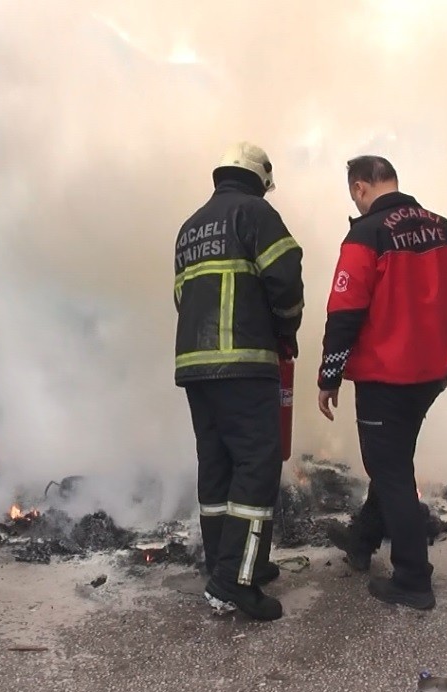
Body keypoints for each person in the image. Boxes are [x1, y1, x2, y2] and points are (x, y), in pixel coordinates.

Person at [317, 155, 447, 610]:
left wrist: (330, 374)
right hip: (431, 375)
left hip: (387, 377)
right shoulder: (444, 228)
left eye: (354, 195)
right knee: (393, 461)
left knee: (391, 470)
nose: (356, 203)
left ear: (362, 187)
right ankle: (362, 540)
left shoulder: (367, 233)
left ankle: (412, 579)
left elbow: (345, 311)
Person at [174, 141, 305, 621]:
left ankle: (225, 564)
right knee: (256, 466)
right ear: (260, 181)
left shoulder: (190, 227)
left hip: (195, 369)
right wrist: (285, 330)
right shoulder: (255, 214)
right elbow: (286, 279)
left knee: (217, 467)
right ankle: (236, 583)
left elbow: (180, 296)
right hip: (245, 366)